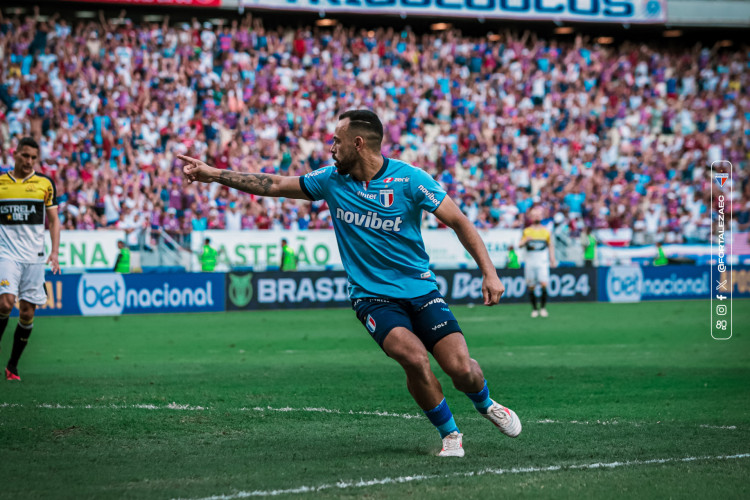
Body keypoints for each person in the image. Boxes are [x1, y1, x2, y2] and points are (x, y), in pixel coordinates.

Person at [178, 109, 521, 457]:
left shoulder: (411, 180)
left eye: (336, 141)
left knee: (462, 369)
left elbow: (460, 222)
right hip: (372, 297)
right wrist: (214, 174)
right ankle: (450, 435)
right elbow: (276, 184)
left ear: (358, 144)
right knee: (414, 359)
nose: (331, 148)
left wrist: (489, 272)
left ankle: (486, 403)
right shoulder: (330, 180)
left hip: (421, 291)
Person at [0, 137, 61, 381]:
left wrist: (54, 252)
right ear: (15, 154)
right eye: (25, 156)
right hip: (6, 253)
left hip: (34, 258)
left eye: (33, 157)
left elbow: (54, 220)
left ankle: (12, 366)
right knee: (5, 303)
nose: (29, 161)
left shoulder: (45, 184)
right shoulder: (2, 182)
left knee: (26, 313)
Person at [519, 207, 556, 318]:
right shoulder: (527, 231)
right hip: (530, 261)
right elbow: (519, 245)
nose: (536, 217)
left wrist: (552, 259)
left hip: (542, 262)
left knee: (544, 284)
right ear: (531, 217)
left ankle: (543, 308)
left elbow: (550, 246)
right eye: (534, 215)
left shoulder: (546, 231)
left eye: (538, 215)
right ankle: (534, 309)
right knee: (531, 286)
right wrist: (526, 240)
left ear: (541, 216)